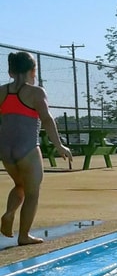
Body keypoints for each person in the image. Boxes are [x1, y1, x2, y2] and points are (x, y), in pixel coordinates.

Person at [0, 50, 73, 245]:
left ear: (10, 71)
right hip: (28, 149)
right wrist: (59, 145)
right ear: (33, 71)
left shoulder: (1, 91)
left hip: (6, 151)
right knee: (32, 193)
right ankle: (24, 236)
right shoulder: (36, 92)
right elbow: (47, 120)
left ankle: (9, 213)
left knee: (20, 185)